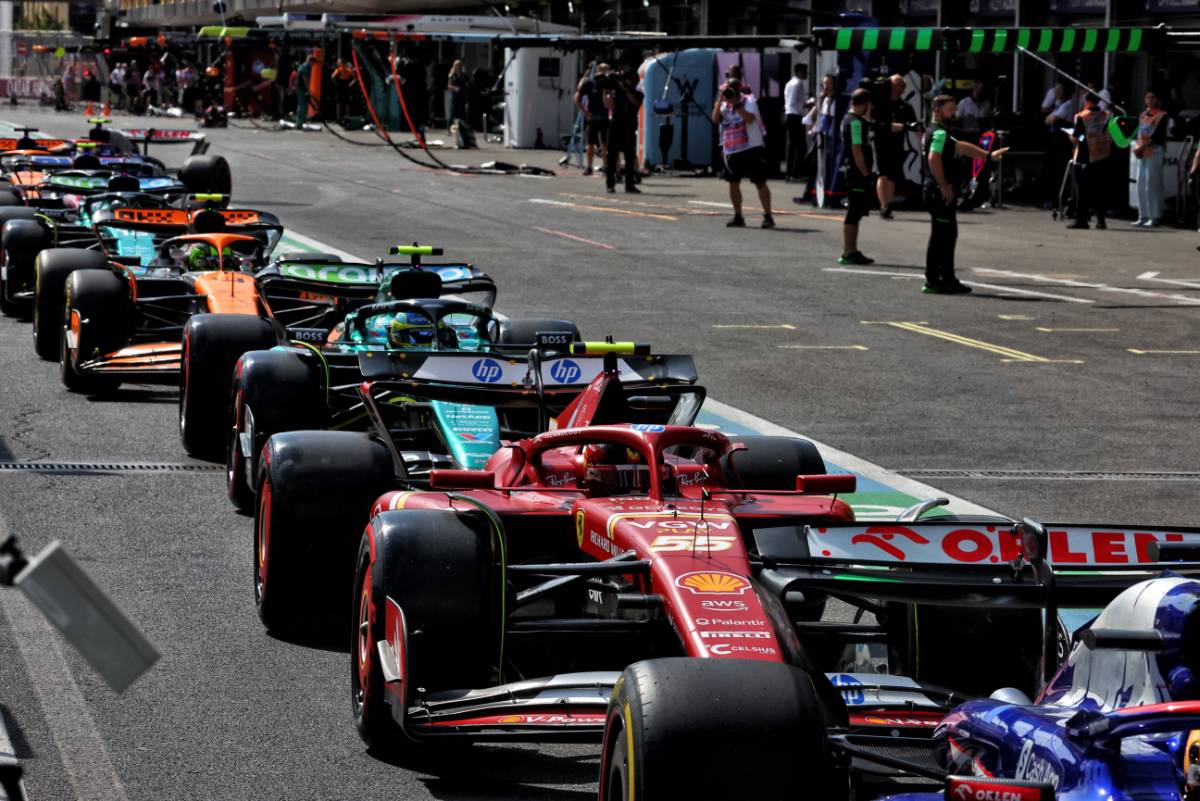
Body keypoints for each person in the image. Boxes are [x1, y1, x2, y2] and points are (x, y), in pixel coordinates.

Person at [923, 94, 1008, 294]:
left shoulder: (941, 132)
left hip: (936, 190)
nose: (954, 113)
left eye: (955, 109)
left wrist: (987, 155)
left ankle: (944, 277)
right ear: (937, 110)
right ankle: (936, 279)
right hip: (938, 191)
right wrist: (943, 184)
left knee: (946, 234)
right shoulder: (939, 134)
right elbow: (933, 158)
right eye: (950, 109)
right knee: (942, 235)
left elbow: (962, 147)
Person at [713, 77, 773, 228]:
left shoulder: (749, 101)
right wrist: (720, 100)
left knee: (760, 183)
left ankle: (768, 215)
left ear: (739, 88)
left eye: (733, 87)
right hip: (732, 150)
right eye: (728, 87)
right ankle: (738, 215)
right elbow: (715, 120)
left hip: (751, 148)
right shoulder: (724, 104)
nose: (730, 90)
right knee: (733, 184)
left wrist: (736, 104)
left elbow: (749, 118)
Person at [838, 89, 875, 263]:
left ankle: (851, 250)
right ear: (866, 103)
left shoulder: (851, 119)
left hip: (853, 170)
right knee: (854, 211)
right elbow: (857, 150)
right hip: (856, 172)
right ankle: (848, 251)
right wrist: (866, 173)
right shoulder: (855, 123)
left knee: (857, 211)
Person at [1066, 92, 1112, 230]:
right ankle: (1101, 220)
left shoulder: (1082, 116)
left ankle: (1082, 220)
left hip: (1085, 157)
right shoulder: (1106, 115)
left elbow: (1078, 137)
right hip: (1103, 155)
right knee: (1100, 190)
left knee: (1083, 191)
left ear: (1086, 101)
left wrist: (1073, 137)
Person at [873, 74, 913, 219]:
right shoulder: (879, 104)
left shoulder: (905, 106)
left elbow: (914, 125)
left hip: (897, 143)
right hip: (881, 142)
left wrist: (922, 140)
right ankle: (883, 205)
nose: (896, 88)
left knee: (892, 175)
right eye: (894, 85)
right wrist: (889, 127)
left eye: (900, 85)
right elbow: (873, 124)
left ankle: (887, 204)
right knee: (882, 173)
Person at [604, 67, 643, 194]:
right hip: (615, 126)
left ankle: (629, 184)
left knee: (629, 157)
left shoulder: (637, 92)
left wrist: (626, 89)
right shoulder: (617, 92)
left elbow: (635, 102)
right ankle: (610, 184)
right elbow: (608, 105)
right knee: (612, 156)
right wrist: (606, 92)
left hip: (629, 127)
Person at [1133, 90, 1167, 227]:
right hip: (1142, 153)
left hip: (1154, 151)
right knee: (1140, 185)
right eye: (1148, 97)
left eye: (1153, 97)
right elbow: (1139, 133)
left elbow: (1158, 135)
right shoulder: (1142, 115)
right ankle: (1143, 215)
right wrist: (1137, 147)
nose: (1150, 100)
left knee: (1152, 185)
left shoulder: (1162, 115)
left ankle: (1155, 216)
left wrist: (1143, 147)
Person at [574, 63, 610, 176]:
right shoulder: (599, 83)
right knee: (599, 143)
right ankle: (600, 167)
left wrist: (583, 110)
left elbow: (577, 96)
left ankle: (595, 167)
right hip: (600, 115)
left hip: (598, 115)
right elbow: (577, 96)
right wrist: (583, 110)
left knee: (596, 143)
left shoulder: (595, 83)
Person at [784, 62, 807, 182]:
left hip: (791, 115)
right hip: (795, 115)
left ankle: (790, 172)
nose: (807, 73)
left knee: (793, 146)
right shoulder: (797, 83)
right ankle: (795, 173)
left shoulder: (790, 83)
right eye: (805, 71)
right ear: (799, 71)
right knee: (800, 146)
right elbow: (793, 101)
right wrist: (805, 105)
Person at [331, 59, 355, 124]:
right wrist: (350, 84)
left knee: (339, 102)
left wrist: (335, 83)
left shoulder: (338, 70)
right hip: (346, 85)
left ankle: (338, 117)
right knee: (346, 102)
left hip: (341, 86)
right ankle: (347, 116)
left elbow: (332, 77)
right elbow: (355, 78)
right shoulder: (348, 70)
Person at [446, 60, 468, 128]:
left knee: (461, 112)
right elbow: (448, 85)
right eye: (456, 65)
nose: (457, 67)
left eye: (458, 65)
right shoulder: (451, 75)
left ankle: (462, 128)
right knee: (452, 112)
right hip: (454, 95)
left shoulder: (464, 75)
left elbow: (466, 84)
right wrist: (455, 88)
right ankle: (449, 128)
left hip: (461, 96)